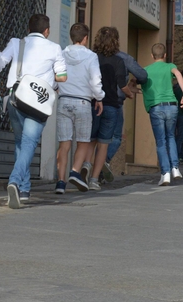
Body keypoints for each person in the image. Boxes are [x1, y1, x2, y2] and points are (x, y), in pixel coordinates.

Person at [0, 14, 67, 208]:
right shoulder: (54, 48)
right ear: (47, 31)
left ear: (29, 29)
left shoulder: (16, 43)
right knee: (29, 143)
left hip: (15, 99)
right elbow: (62, 77)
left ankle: (24, 188)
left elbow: (0, 61)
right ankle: (14, 181)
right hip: (38, 103)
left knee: (21, 142)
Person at [56, 23, 105, 194]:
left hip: (64, 101)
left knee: (64, 143)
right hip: (83, 102)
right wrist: (99, 97)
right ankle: (75, 172)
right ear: (85, 38)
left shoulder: (61, 54)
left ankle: (60, 182)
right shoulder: (91, 56)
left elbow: (56, 76)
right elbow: (95, 80)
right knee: (83, 141)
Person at [82, 27, 130, 191]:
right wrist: (130, 93)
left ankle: (86, 165)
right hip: (111, 105)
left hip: (92, 103)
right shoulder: (118, 61)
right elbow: (122, 85)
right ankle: (94, 180)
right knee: (103, 144)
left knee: (91, 140)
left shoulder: (91, 58)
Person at [141, 43, 183, 185]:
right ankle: (175, 167)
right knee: (171, 137)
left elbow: (136, 82)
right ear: (165, 55)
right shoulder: (170, 66)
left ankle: (165, 173)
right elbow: (179, 74)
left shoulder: (146, 70)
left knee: (161, 141)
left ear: (152, 56)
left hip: (156, 108)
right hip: (172, 106)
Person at [103, 48, 147, 182]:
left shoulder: (94, 55)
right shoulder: (123, 58)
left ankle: (89, 166)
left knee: (95, 138)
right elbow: (142, 75)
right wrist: (131, 87)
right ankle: (103, 162)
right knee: (116, 137)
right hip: (115, 102)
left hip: (95, 101)